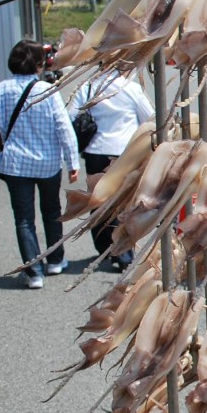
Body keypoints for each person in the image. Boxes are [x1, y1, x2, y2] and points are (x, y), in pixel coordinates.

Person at [0, 40, 79, 289]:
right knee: (52, 211)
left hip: (15, 165)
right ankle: (55, 260)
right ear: (38, 64)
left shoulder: (0, 91)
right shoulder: (48, 89)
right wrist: (72, 162)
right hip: (48, 163)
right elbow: (64, 127)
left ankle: (34, 273)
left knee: (24, 219)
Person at [68, 69, 155, 272]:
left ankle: (104, 248)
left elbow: (71, 115)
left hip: (95, 150)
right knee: (123, 202)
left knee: (97, 200)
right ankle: (124, 253)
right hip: (124, 151)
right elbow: (150, 117)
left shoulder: (88, 87)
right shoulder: (131, 88)